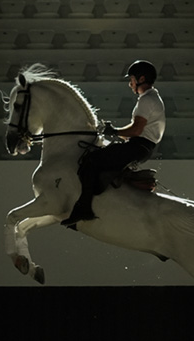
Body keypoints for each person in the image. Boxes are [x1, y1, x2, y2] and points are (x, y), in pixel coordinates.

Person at [62, 60, 166, 226]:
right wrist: (115, 134)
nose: (129, 84)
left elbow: (136, 130)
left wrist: (115, 131)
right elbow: (136, 132)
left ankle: (84, 209)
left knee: (91, 161)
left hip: (137, 146)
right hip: (141, 146)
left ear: (141, 78)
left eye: (131, 79)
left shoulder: (146, 100)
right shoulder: (152, 98)